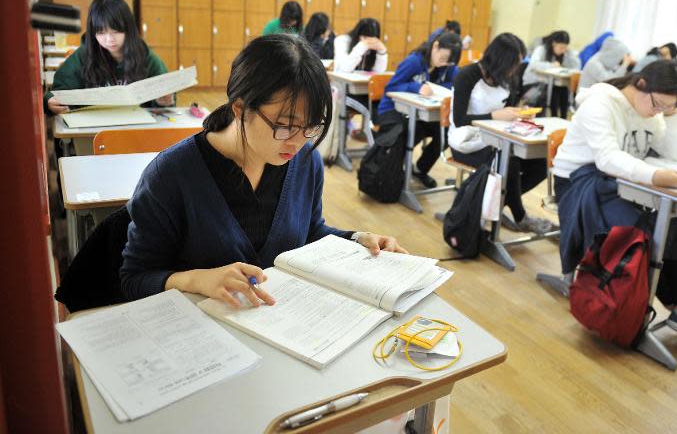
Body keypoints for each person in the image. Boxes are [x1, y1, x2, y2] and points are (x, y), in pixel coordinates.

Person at [120, 34, 405, 307]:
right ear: (241, 109)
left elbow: (309, 231)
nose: (298, 141)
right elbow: (134, 280)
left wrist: (355, 240)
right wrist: (197, 279)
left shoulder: (305, 161)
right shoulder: (171, 175)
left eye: (311, 126)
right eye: (285, 125)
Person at [553, 60, 677, 350]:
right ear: (641, 85)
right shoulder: (600, 104)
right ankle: (644, 304)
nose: (658, 112)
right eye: (658, 104)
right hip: (580, 183)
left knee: (670, 216)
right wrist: (655, 176)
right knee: (641, 226)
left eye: (666, 107)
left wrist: (671, 115)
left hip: (621, 182)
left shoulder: (655, 109)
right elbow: (606, 159)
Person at [449, 33, 553, 234]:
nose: (515, 70)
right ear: (500, 61)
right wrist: (495, 115)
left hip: (499, 138)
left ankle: (494, 204)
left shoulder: (507, 79)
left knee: (540, 164)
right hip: (467, 141)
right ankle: (520, 216)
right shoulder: (467, 76)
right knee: (509, 161)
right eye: (513, 64)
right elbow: (460, 119)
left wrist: (519, 115)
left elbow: (509, 109)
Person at [44, 0, 172, 115]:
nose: (109, 39)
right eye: (101, 33)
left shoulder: (145, 56)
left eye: (116, 31)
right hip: (93, 129)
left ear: (128, 29)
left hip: (136, 127)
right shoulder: (84, 55)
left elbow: (166, 94)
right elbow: (59, 90)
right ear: (93, 33)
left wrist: (164, 101)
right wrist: (50, 100)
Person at [377, 32, 462, 188]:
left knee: (445, 133)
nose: (444, 64)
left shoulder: (447, 67)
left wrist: (438, 87)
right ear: (435, 46)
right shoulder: (414, 62)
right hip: (393, 111)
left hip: (420, 114)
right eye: (442, 59)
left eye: (448, 63)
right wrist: (416, 87)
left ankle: (420, 169)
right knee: (405, 132)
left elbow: (456, 84)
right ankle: (394, 172)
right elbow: (391, 87)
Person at [333, 18, 389, 137]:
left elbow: (379, 72)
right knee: (371, 110)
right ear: (358, 34)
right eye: (364, 38)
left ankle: (378, 137)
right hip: (344, 91)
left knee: (384, 106)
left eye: (372, 39)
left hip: (365, 91)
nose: (368, 42)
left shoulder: (374, 47)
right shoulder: (342, 41)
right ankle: (376, 142)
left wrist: (381, 51)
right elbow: (345, 68)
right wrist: (361, 47)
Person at [521, 30, 580, 118]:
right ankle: (554, 116)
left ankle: (562, 117)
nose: (563, 50)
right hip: (535, 83)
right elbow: (534, 65)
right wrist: (551, 65)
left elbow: (576, 66)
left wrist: (569, 53)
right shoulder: (541, 49)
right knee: (554, 89)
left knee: (563, 88)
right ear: (554, 43)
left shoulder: (565, 53)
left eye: (565, 48)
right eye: (561, 47)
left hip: (551, 82)